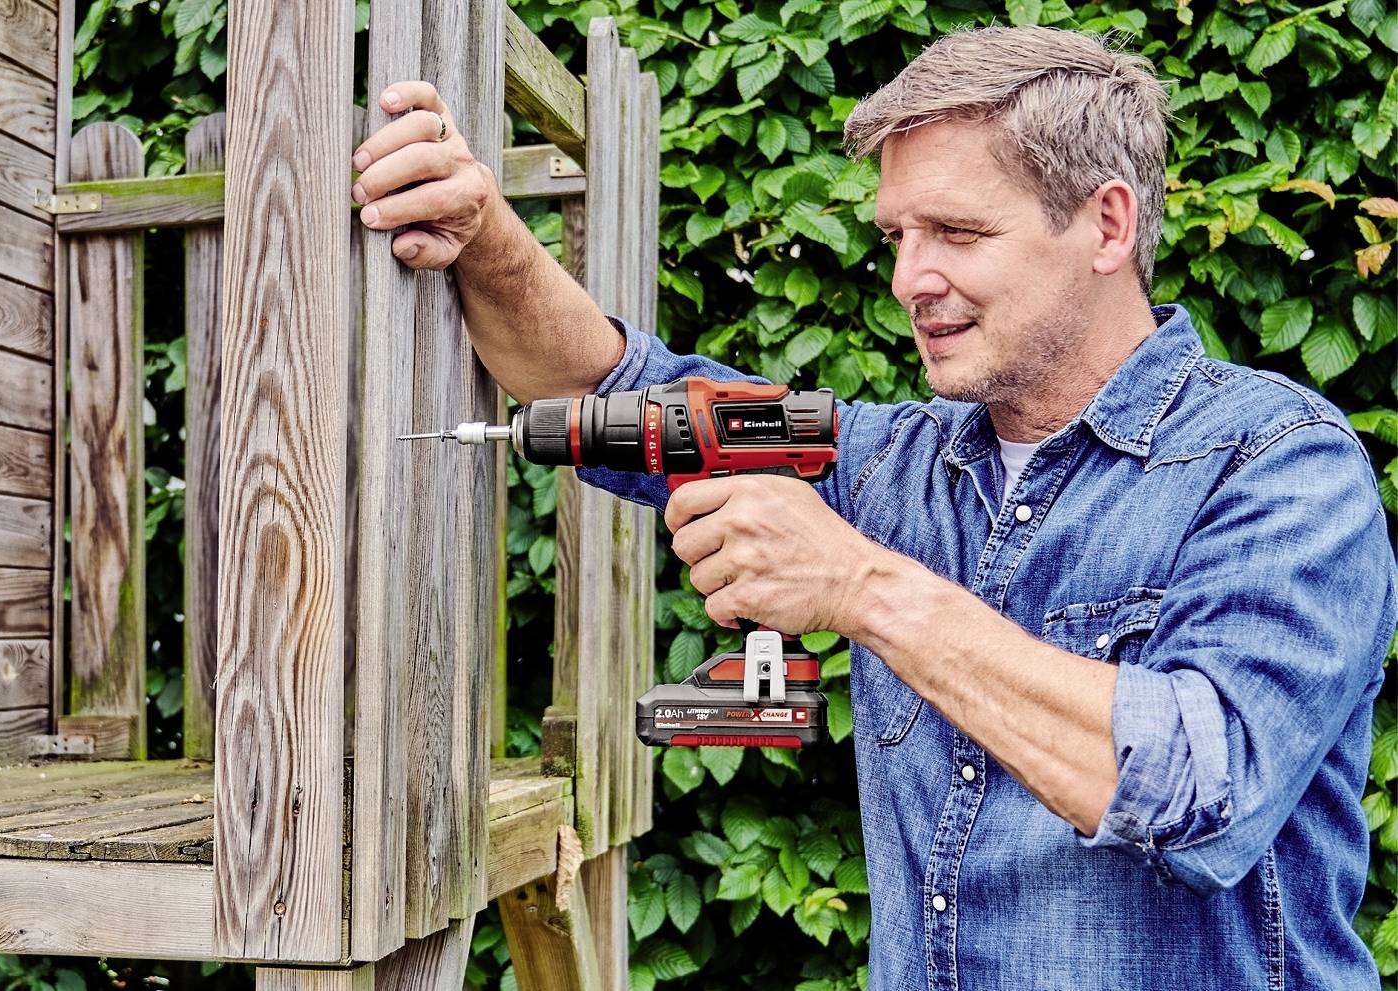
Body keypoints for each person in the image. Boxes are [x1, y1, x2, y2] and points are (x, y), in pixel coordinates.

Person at [348, 24, 1395, 989]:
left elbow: (1200, 789)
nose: (908, 277)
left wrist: (860, 584)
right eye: (897, 233)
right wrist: (484, 236)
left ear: (1105, 222)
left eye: (954, 231)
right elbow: (606, 393)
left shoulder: (1275, 465)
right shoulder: (883, 458)